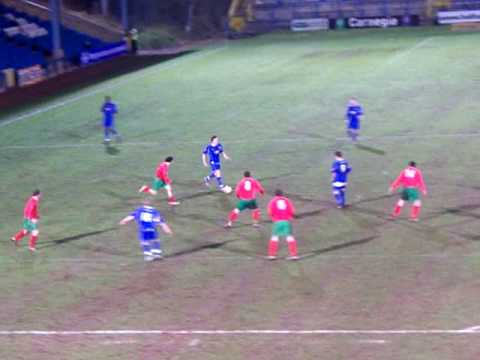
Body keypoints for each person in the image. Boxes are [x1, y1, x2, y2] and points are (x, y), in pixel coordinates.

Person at [267, 189, 298, 260]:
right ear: (282, 194)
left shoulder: (273, 201)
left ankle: (272, 255)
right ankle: (294, 255)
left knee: (274, 237)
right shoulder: (287, 200)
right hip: (286, 221)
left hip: (277, 222)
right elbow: (292, 211)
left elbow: (270, 212)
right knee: (290, 237)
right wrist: (292, 216)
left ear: (275, 194)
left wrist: (273, 217)